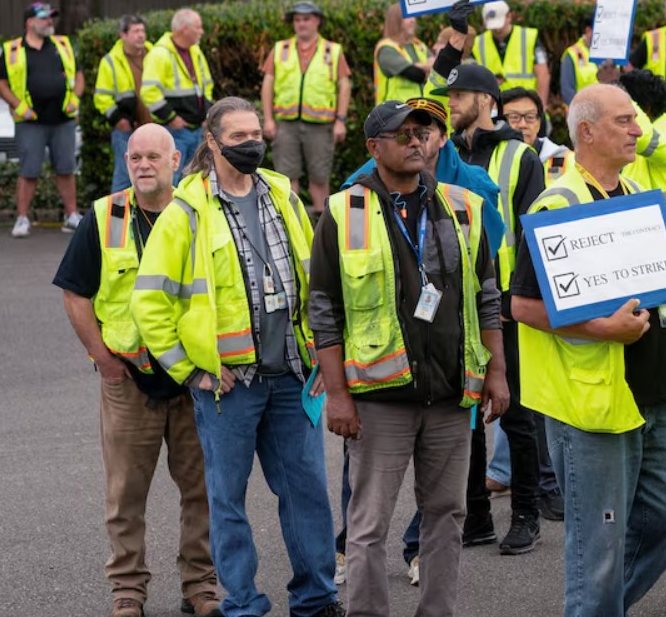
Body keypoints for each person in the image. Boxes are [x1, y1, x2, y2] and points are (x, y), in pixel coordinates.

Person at [131, 97, 342, 617]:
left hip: (292, 374)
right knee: (227, 502)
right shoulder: (186, 211)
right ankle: (243, 604)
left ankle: (316, 598)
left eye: (256, 134)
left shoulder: (282, 193)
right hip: (229, 386)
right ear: (212, 141)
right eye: (241, 136)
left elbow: (313, 275)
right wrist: (190, 369)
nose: (253, 143)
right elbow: (150, 301)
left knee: (307, 493)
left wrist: (321, 351)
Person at [310, 100, 508, 617]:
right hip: (379, 398)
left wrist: (497, 372)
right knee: (369, 523)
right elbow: (324, 310)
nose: (417, 140)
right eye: (403, 133)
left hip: (448, 395)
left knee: (447, 516)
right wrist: (337, 395)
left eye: (425, 131)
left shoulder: (464, 206)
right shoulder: (342, 211)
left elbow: (487, 294)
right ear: (374, 148)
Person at [510, 84, 666, 617]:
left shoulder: (633, 192)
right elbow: (521, 305)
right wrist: (603, 330)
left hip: (652, 396)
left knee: (664, 523)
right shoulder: (558, 202)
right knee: (597, 552)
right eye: (625, 121)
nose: (638, 130)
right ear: (587, 131)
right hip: (592, 408)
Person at [55, 124, 221, 617]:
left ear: (177, 160)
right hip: (128, 380)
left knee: (203, 491)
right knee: (125, 495)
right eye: (134, 157)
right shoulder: (105, 217)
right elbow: (74, 293)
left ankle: (201, 586)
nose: (143, 165)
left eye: (154, 156)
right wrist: (102, 358)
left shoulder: (199, 215)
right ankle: (127, 590)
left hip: (194, 380)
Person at [432, 64, 548, 556]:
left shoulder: (521, 156)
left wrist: (509, 298)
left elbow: (531, 234)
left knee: (516, 411)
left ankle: (526, 513)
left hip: (502, 302)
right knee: (469, 410)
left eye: (458, 95)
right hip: (456, 303)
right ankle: (476, 514)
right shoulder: (443, 152)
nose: (450, 102)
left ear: (485, 99)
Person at [0, 2, 84, 238]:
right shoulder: (13, 49)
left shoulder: (63, 45)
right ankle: (22, 219)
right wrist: (18, 106)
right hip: (30, 121)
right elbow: (2, 84)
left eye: (51, 18)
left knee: (66, 168)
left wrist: (75, 98)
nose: (49, 22)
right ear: (30, 22)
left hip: (62, 119)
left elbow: (78, 75)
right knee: (29, 170)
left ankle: (71, 216)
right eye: (44, 18)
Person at [260, 1, 351, 215]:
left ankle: (323, 226)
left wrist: (341, 120)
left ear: (317, 21)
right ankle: (292, 222)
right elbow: (268, 83)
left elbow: (344, 85)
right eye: (297, 19)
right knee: (286, 177)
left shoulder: (333, 50)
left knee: (320, 177)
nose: (301, 24)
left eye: (306, 19)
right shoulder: (280, 48)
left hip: (321, 125)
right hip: (285, 123)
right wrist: (268, 120)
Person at [619, 69, 666, 260]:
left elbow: (644, 137)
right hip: (639, 243)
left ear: (646, 108)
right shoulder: (628, 140)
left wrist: (622, 97)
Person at [140, 8, 213, 185]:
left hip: (196, 128)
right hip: (175, 130)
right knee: (170, 179)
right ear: (183, 29)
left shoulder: (195, 50)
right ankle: (167, 212)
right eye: (198, 27)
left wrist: (207, 113)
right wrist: (171, 118)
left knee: (194, 179)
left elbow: (206, 85)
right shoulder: (160, 54)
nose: (201, 31)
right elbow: (149, 92)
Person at [94, 15, 153, 194]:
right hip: (126, 130)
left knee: (157, 178)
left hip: (155, 127)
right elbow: (101, 97)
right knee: (124, 177)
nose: (141, 35)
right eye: (135, 31)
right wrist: (119, 120)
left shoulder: (155, 54)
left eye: (142, 31)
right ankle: (116, 220)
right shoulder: (110, 61)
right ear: (123, 35)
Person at [474, 0, 550, 106]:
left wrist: (540, 107)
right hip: (493, 108)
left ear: (509, 16)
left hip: (525, 105)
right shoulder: (477, 43)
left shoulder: (529, 37)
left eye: (499, 24)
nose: (496, 29)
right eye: (492, 25)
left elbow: (543, 74)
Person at [503, 87, 572, 186]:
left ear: (539, 123)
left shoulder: (566, 160)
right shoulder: (489, 158)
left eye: (530, 117)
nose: (523, 125)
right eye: (514, 117)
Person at [374, 4, 434, 104]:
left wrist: (418, 66)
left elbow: (437, 71)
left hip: (421, 110)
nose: (413, 20)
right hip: (394, 112)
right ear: (395, 21)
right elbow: (416, 74)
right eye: (407, 17)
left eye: (413, 16)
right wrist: (427, 67)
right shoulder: (386, 49)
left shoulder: (419, 45)